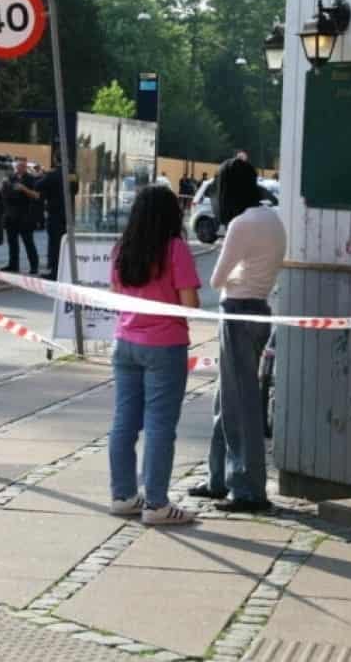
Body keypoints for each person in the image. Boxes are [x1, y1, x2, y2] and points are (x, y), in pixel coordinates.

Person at [189, 158, 285, 512]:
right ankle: (218, 476)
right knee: (227, 397)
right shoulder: (273, 218)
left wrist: (231, 269)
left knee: (239, 403)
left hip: (237, 312)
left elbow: (216, 279)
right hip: (259, 309)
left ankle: (246, 487)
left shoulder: (241, 224)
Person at [108, 184, 201, 526]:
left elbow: (116, 293)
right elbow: (189, 303)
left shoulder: (122, 248)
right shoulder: (175, 248)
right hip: (165, 344)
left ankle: (122, 495)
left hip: (125, 343)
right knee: (161, 425)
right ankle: (157, 504)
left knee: (124, 422)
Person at [0, 157, 40, 274]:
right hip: (12, 215)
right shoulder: (10, 178)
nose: (20, 168)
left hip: (25, 215)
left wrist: (24, 189)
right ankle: (13, 265)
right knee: (12, 242)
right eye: (18, 166)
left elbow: (36, 196)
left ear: (25, 166)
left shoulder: (31, 179)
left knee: (28, 242)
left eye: (22, 166)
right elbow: (4, 195)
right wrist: (4, 187)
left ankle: (34, 266)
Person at [37, 156, 75, 279]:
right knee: (65, 244)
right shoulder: (72, 175)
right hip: (68, 215)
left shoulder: (52, 175)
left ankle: (55, 272)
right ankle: (66, 270)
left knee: (55, 245)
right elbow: (75, 189)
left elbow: (37, 185)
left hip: (55, 214)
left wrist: (41, 175)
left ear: (55, 160)